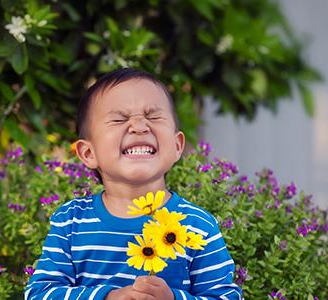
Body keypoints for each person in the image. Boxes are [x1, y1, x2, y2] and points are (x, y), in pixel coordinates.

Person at [25, 68, 242, 299]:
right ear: (88, 153)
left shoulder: (198, 226)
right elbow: (40, 293)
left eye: (154, 116)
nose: (139, 126)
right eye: (119, 119)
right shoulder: (71, 222)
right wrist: (108, 297)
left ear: (177, 145)